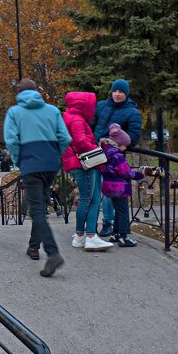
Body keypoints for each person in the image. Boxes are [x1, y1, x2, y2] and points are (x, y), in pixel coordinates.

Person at [3, 79, 72, 277]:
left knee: (37, 209)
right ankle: (33, 246)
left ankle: (52, 253)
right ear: (37, 92)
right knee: (40, 202)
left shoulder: (15, 112)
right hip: (51, 164)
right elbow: (65, 138)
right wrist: (54, 154)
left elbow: (11, 140)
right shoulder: (52, 111)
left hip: (31, 164)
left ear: (19, 93)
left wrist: (20, 160)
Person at [92, 79, 143, 240]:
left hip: (113, 160)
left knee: (114, 194)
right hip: (95, 155)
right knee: (95, 192)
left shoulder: (132, 112)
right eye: (115, 91)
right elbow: (93, 125)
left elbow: (133, 136)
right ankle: (113, 232)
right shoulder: (101, 106)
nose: (117, 94)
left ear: (126, 94)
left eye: (121, 92)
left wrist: (119, 148)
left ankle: (114, 228)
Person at [61, 92, 113, 251]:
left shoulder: (71, 117)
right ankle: (88, 236)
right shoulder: (77, 120)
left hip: (79, 163)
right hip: (85, 164)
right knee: (89, 199)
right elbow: (81, 142)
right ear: (83, 105)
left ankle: (81, 236)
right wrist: (98, 150)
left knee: (92, 198)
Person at [99, 124, 144, 247]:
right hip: (119, 187)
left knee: (118, 210)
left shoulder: (106, 152)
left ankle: (116, 233)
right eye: (125, 145)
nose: (126, 147)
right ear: (118, 143)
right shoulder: (117, 156)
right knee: (124, 211)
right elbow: (126, 172)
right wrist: (140, 175)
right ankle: (124, 236)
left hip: (110, 186)